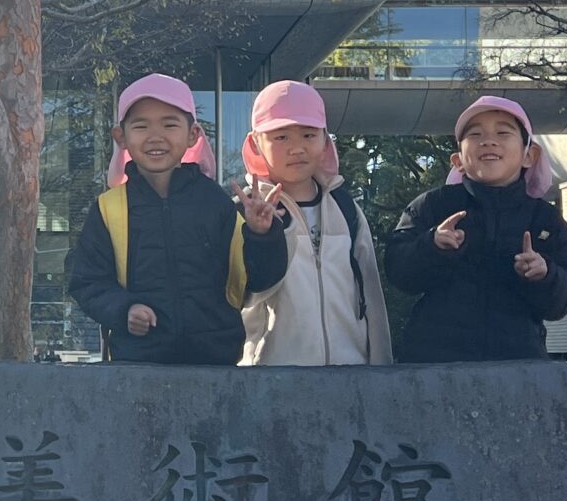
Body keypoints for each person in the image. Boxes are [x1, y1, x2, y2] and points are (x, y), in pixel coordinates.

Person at [68, 73, 288, 364]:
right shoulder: (109, 209)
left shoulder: (216, 203)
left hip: (215, 367)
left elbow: (257, 281)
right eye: (141, 125)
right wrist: (123, 310)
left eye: (169, 124)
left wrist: (263, 235)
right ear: (121, 137)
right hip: (136, 368)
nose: (155, 136)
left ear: (192, 134)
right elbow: (87, 282)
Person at [382, 94, 567, 364]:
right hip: (433, 364)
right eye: (475, 134)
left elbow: (566, 299)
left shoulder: (546, 220)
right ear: (458, 161)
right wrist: (432, 245)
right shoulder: (433, 205)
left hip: (520, 367)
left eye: (503, 132)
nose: (488, 141)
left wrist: (544, 275)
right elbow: (397, 271)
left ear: (529, 155)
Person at [236, 80, 394, 366]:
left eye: (308, 134)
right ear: (256, 143)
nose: (297, 148)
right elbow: (240, 296)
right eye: (281, 137)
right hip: (269, 378)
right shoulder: (243, 212)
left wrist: (382, 371)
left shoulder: (345, 208)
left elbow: (372, 295)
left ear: (325, 140)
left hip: (351, 375)